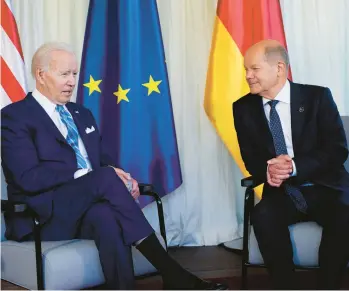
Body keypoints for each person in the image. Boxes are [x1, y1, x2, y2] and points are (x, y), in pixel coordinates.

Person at [1, 42, 227, 290]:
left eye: (74, 74)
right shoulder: (14, 117)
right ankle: (172, 272)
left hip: (87, 208)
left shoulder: (81, 113)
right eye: (64, 74)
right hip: (42, 215)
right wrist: (93, 174)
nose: (71, 81)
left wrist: (121, 176)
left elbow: (100, 160)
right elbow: (27, 177)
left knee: (106, 216)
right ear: (41, 75)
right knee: (105, 178)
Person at [233, 39, 349, 289]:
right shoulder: (242, 108)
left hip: (324, 185)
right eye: (246, 70)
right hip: (281, 191)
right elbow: (251, 157)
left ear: (279, 68)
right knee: (263, 216)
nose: (248, 76)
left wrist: (294, 166)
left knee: (345, 215)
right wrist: (268, 171)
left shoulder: (317, 96)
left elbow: (337, 150)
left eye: (254, 69)